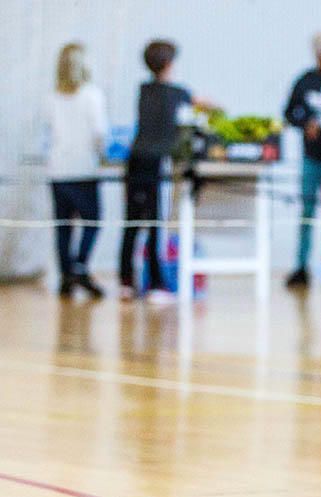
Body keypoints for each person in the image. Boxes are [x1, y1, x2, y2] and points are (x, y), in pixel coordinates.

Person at [120, 40, 210, 303]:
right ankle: (157, 285)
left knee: (133, 223)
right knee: (156, 224)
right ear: (169, 64)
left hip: (135, 162)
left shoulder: (144, 90)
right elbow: (201, 103)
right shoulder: (177, 92)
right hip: (155, 164)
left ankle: (126, 282)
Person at [45, 43, 107, 299]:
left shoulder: (51, 97)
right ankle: (80, 266)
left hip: (57, 170)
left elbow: (47, 133)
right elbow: (100, 133)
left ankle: (66, 275)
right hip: (83, 169)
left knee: (63, 226)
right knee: (92, 221)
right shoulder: (92, 95)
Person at [283, 32, 321, 289]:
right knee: (306, 210)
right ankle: (302, 265)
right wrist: (305, 123)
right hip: (312, 157)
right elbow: (288, 112)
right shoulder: (305, 81)